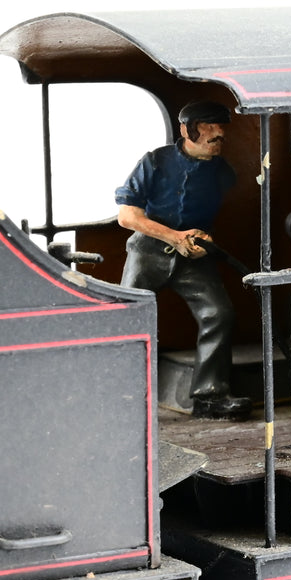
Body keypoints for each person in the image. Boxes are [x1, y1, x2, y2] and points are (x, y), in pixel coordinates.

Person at [115, 100, 250, 420]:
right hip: (148, 252)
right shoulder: (154, 162)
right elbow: (127, 216)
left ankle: (210, 396)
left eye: (221, 127)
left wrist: (204, 240)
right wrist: (173, 237)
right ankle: (122, 394)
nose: (219, 133)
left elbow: (222, 215)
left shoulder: (223, 173)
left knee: (219, 314)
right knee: (128, 316)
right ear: (188, 130)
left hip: (193, 255)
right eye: (209, 126)